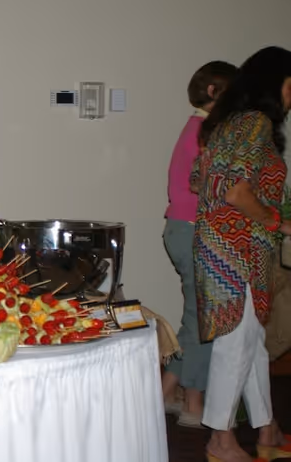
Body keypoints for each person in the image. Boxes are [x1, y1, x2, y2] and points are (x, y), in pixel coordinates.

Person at [192, 46, 291, 462]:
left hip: (220, 243)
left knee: (249, 340)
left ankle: (266, 431)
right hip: (241, 248)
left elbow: (201, 181)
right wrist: (275, 220)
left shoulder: (224, 123)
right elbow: (235, 191)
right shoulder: (255, 124)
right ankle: (220, 439)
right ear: (275, 83)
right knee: (237, 342)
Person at [162, 61, 238, 428]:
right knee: (204, 320)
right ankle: (193, 402)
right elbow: (206, 185)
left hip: (184, 228)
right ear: (213, 92)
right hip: (193, 230)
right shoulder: (206, 132)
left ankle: (167, 390)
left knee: (196, 318)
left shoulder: (196, 128)